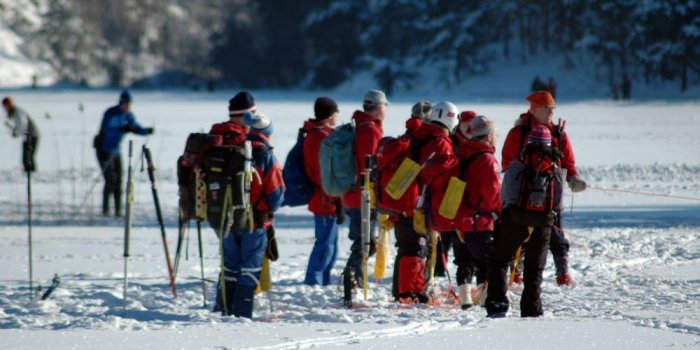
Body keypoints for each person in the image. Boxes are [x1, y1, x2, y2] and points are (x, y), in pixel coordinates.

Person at [501, 91, 586, 287]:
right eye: (547, 109)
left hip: (551, 195)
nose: (551, 112)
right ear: (535, 110)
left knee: (555, 233)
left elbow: (568, 160)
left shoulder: (559, 134)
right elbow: (507, 162)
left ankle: (562, 271)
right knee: (520, 233)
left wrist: (573, 177)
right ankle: (517, 271)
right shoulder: (518, 133)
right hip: (523, 193)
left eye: (552, 109)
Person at [211, 91, 284, 318]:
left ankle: (225, 309)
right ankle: (241, 314)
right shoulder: (265, 155)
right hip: (255, 221)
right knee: (250, 269)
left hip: (226, 217)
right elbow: (275, 195)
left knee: (230, 267)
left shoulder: (231, 150)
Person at [486, 125, 564, 318]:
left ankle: (497, 303)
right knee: (534, 269)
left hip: (515, 220)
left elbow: (506, 195)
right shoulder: (554, 169)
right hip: (543, 224)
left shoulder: (517, 164)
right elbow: (558, 203)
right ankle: (531, 309)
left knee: (500, 260)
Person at [394, 101, 457, 303]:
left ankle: (410, 291)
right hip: (418, 202)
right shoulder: (439, 141)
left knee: (411, 248)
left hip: (407, 198)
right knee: (416, 249)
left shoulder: (420, 134)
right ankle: (409, 293)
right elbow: (433, 174)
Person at [452, 115, 500, 309]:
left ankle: (465, 300)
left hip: (458, 219)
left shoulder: (460, 153)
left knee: (463, 262)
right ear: (488, 136)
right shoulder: (487, 160)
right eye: (496, 134)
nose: (497, 137)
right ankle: (485, 299)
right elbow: (493, 196)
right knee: (486, 264)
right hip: (479, 222)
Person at [341, 90, 387, 287]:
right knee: (364, 243)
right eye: (384, 105)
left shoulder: (359, 126)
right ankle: (352, 279)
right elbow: (369, 164)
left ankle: (354, 278)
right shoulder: (370, 130)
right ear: (378, 107)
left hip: (352, 193)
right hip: (364, 195)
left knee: (363, 241)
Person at [95, 90, 153, 217]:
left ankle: (117, 210)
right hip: (104, 150)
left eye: (130, 104)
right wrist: (122, 128)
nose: (128, 107)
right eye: (126, 104)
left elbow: (134, 127)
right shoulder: (110, 113)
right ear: (121, 103)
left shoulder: (128, 115)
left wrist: (146, 131)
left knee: (119, 181)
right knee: (110, 180)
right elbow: (107, 129)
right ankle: (105, 210)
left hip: (117, 151)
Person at [303, 97, 341, 286]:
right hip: (324, 198)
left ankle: (323, 282)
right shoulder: (321, 137)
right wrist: (335, 192)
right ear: (330, 115)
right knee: (325, 245)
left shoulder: (319, 134)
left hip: (327, 197)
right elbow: (322, 171)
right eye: (336, 112)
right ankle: (313, 283)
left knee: (332, 247)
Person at [2, 96, 40, 173]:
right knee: (26, 158)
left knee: (27, 158)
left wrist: (15, 133)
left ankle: (31, 175)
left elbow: (22, 125)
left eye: (6, 106)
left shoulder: (17, 112)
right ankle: (29, 173)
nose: (5, 109)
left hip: (32, 135)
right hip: (28, 136)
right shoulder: (14, 112)